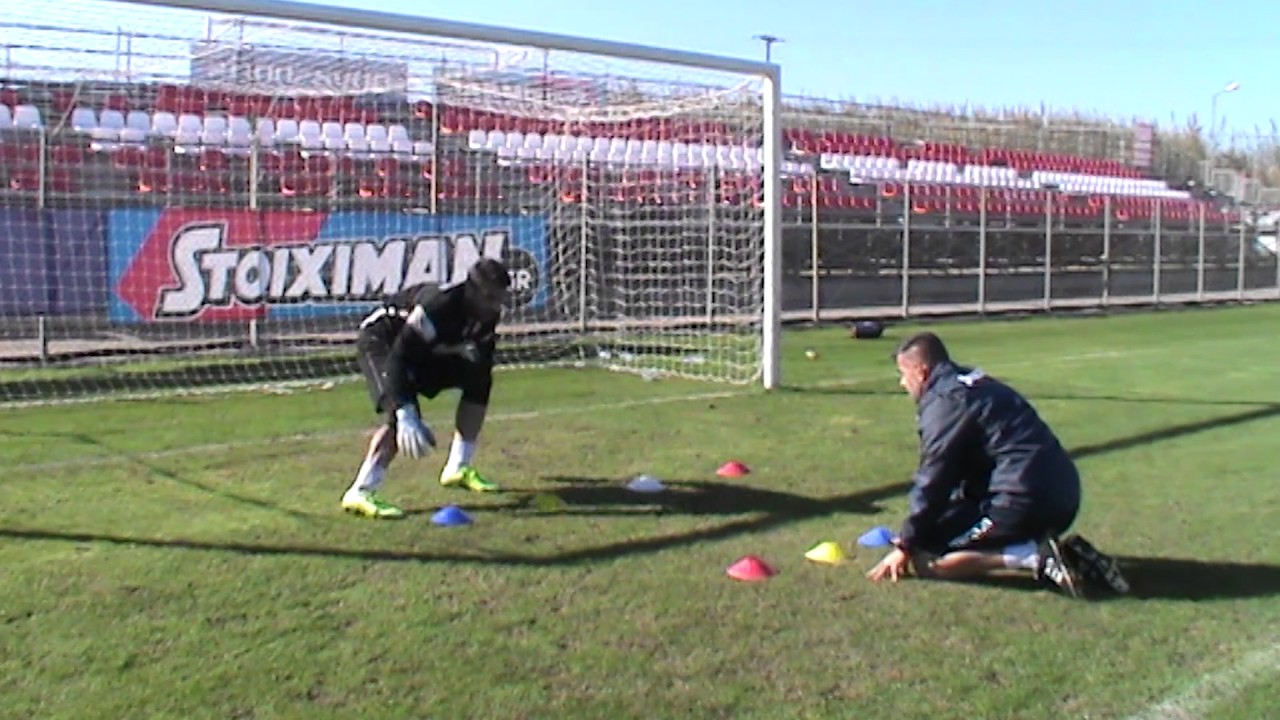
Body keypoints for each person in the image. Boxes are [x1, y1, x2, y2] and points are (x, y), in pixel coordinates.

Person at [865, 331, 1129, 598]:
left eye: (903, 373)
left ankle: (1035, 557)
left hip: (1022, 501)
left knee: (925, 557)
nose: (902, 382)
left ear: (921, 371)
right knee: (936, 529)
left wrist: (907, 545)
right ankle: (1068, 553)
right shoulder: (975, 382)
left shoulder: (945, 403)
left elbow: (934, 479)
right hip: (1063, 493)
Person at [340, 258, 512, 519]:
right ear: (473, 290)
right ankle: (361, 491)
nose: (494, 306)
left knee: (479, 377)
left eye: (498, 299)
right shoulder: (438, 306)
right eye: (489, 297)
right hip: (382, 343)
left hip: (421, 351)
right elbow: (399, 357)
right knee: (399, 410)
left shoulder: (489, 314)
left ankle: (458, 466)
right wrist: (406, 413)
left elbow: (481, 355)